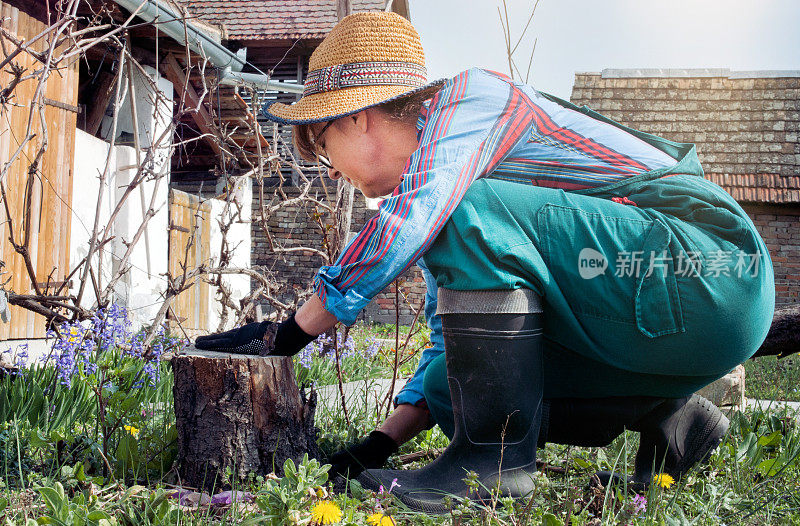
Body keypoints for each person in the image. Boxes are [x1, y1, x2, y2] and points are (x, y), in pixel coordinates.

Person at [195, 12, 775, 513]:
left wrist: (289, 334)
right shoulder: (451, 191)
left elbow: (409, 220)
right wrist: (379, 445)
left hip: (707, 262)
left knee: (462, 213)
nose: (328, 166)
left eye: (323, 145)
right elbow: (457, 340)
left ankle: (492, 465)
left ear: (357, 118)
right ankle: (673, 418)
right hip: (675, 315)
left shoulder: (470, 106)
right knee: (457, 388)